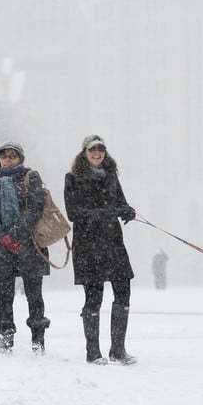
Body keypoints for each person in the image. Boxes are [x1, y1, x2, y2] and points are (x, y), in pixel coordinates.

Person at [64, 135, 137, 365]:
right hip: (88, 245)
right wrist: (103, 213)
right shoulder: (73, 178)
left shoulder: (111, 176)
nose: (97, 154)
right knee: (94, 297)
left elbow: (120, 202)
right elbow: (73, 213)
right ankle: (93, 352)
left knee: (123, 291)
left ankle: (118, 349)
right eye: (93, 150)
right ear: (84, 153)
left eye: (101, 150)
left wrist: (127, 211)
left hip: (113, 242)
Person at [0, 142, 51, 355]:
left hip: (29, 245)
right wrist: (3, 237)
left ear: (20, 158)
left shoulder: (31, 177)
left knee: (34, 295)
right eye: (4, 156)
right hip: (3, 249)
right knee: (4, 297)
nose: (8, 159)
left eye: (12, 156)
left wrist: (17, 232)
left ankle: (38, 341)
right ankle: (5, 341)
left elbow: (36, 207)